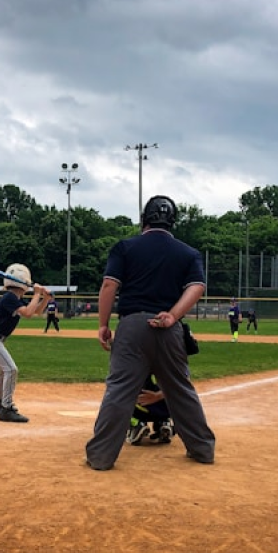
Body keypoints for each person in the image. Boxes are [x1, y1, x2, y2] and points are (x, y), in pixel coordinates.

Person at [85, 195, 215, 470]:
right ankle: (203, 450)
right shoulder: (188, 253)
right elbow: (197, 288)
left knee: (120, 390)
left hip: (132, 327)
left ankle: (100, 457)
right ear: (172, 222)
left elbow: (109, 286)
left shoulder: (125, 247)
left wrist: (103, 325)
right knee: (180, 389)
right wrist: (173, 315)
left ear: (143, 219)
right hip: (169, 328)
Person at [0, 264, 51, 422]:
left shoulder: (15, 298)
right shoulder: (10, 297)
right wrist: (36, 294)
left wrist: (44, 298)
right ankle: (6, 408)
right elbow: (26, 313)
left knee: (3, 370)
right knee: (11, 370)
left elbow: (36, 311)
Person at [126, 376, 176, 445]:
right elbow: (183, 383)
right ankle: (164, 422)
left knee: (120, 393)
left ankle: (137, 424)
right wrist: (158, 396)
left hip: (141, 407)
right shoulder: (173, 365)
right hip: (167, 409)